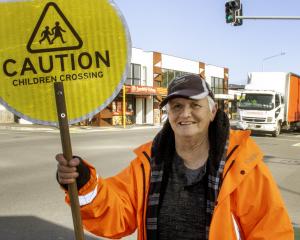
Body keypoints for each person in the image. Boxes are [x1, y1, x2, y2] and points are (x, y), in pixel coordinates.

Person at [56, 74, 294, 240]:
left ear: (212, 111)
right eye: (177, 106)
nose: (185, 113)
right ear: (168, 114)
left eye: (194, 105)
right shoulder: (149, 163)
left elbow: (271, 230)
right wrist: (84, 183)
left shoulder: (242, 165)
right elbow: (117, 216)